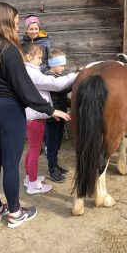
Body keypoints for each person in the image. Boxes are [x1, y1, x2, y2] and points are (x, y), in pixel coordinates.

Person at [0, 2, 70, 228]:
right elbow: (24, 87)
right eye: (17, 21)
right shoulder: (9, 49)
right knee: (10, 164)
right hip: (9, 110)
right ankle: (16, 214)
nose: (18, 26)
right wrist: (50, 109)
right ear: (7, 20)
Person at [22, 44, 77, 194]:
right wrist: (76, 76)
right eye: (39, 58)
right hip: (42, 117)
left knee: (39, 148)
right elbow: (58, 86)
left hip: (44, 116)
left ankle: (31, 177)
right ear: (28, 57)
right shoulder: (40, 75)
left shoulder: (34, 72)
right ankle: (37, 180)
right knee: (39, 149)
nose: (41, 61)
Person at [44, 49, 72, 183]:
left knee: (57, 143)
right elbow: (62, 89)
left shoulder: (57, 78)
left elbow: (62, 97)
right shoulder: (49, 78)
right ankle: (52, 170)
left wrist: (73, 104)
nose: (63, 68)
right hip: (51, 118)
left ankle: (55, 165)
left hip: (60, 117)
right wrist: (76, 80)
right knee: (52, 144)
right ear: (53, 64)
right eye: (61, 65)